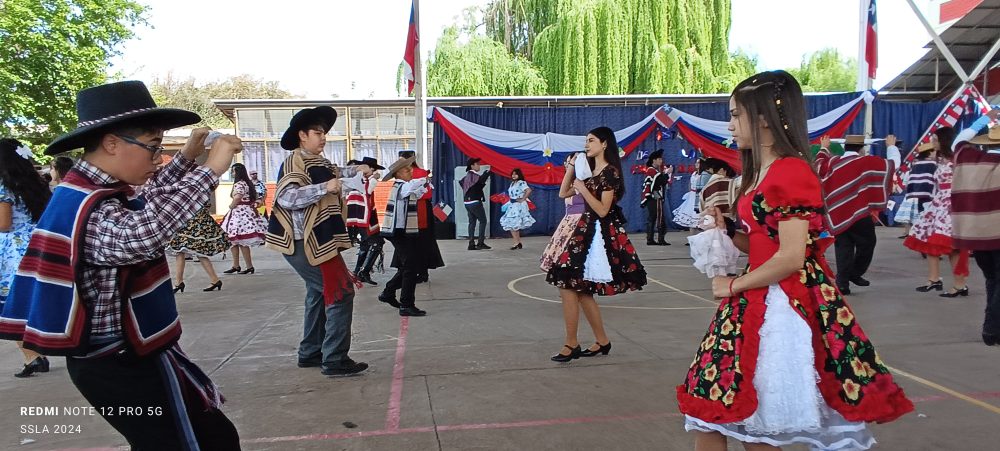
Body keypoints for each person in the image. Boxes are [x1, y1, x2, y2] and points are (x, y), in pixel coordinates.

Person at [677, 71, 913, 451]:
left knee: (752, 422)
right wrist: (726, 231)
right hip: (755, 299)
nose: (730, 124)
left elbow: (791, 257)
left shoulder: (790, 171)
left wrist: (732, 285)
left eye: (737, 115)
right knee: (719, 414)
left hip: (780, 306)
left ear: (765, 117)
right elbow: (760, 246)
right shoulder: (761, 173)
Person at [0, 81, 243, 449]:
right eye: (153, 147)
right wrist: (211, 170)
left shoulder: (100, 188)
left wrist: (188, 157)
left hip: (126, 356)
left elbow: (150, 194)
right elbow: (141, 235)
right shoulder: (86, 203)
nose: (157, 158)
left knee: (209, 437)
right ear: (112, 143)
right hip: (117, 364)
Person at [267, 106, 368, 377]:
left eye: (324, 133)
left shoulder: (319, 162)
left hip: (318, 241)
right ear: (302, 135)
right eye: (317, 133)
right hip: (304, 242)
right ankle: (334, 358)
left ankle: (311, 352)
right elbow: (286, 199)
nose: (323, 137)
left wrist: (358, 170)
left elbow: (335, 173)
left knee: (317, 293)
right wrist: (325, 188)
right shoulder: (293, 162)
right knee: (340, 291)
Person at [545, 127, 647, 362]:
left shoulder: (610, 172)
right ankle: (601, 341)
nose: (586, 144)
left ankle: (572, 343)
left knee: (568, 284)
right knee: (579, 289)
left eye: (591, 140)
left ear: (604, 144)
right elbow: (563, 193)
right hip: (581, 231)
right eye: (586, 140)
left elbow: (602, 210)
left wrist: (582, 188)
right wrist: (571, 170)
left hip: (596, 235)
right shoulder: (590, 172)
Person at [0, 138, 53, 378]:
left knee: (10, 308)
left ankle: (32, 357)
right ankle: (36, 353)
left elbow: (3, 224)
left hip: (11, 252)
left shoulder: (3, 186)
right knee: (31, 304)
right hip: (37, 246)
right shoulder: (38, 183)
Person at [815, 134, 894, 295]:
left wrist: (824, 147)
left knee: (844, 247)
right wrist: (891, 147)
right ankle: (853, 273)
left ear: (846, 148)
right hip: (859, 212)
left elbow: (818, 164)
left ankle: (843, 283)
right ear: (862, 149)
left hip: (838, 212)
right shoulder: (866, 161)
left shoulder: (834, 162)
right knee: (867, 242)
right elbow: (892, 164)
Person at [950, 108, 1000, 346]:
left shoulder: (967, 158)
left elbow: (960, 139)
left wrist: (986, 118)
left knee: (992, 279)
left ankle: (993, 329)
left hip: (977, 236)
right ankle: (991, 330)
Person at [904, 126, 971, 298]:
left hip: (951, 203)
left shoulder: (956, 158)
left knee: (951, 246)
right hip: (939, 203)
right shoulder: (940, 159)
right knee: (928, 240)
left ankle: (959, 284)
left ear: (944, 141)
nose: (932, 142)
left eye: (935, 139)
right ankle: (935, 279)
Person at [167, 146, 231, 294]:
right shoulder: (203, 183)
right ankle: (183, 281)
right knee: (184, 251)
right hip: (194, 220)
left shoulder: (192, 183)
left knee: (186, 251)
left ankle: (184, 282)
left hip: (191, 221)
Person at [379, 156, 435, 316]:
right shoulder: (401, 186)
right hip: (399, 231)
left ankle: (389, 292)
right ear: (398, 173)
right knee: (411, 267)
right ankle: (406, 304)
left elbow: (416, 192)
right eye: (406, 170)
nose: (410, 172)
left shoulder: (402, 187)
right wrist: (425, 178)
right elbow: (413, 187)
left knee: (409, 265)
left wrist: (423, 184)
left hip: (402, 231)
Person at [343, 156, 385, 285]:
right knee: (376, 243)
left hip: (364, 215)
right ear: (371, 168)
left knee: (367, 244)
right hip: (363, 216)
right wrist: (374, 179)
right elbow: (367, 190)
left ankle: (358, 272)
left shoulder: (361, 179)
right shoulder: (363, 180)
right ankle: (363, 272)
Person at [541, 155, 585, 272]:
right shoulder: (571, 182)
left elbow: (562, 193)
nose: (568, 163)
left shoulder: (581, 182)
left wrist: (571, 167)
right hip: (568, 221)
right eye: (567, 161)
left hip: (581, 220)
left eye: (571, 161)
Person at [221, 163, 268, 275]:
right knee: (237, 241)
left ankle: (243, 265)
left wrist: (231, 205)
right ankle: (241, 265)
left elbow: (237, 196)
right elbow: (260, 196)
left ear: (237, 172)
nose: (232, 173)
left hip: (239, 213)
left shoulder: (239, 184)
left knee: (237, 240)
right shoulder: (248, 183)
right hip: (247, 211)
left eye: (233, 171)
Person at [894, 143, 936, 238]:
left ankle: (920, 235)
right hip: (931, 195)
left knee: (922, 215)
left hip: (917, 195)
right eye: (934, 151)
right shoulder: (933, 164)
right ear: (929, 152)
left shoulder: (917, 165)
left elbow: (911, 181)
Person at [641, 149, 672, 246]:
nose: (661, 161)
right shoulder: (652, 171)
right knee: (658, 218)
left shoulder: (654, 171)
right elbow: (660, 182)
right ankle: (659, 239)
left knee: (653, 218)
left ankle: (651, 239)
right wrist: (667, 174)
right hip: (654, 198)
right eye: (659, 159)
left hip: (655, 198)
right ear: (654, 160)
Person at [499, 168, 535, 250]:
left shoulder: (521, 182)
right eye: (512, 174)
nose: (513, 175)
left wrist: (523, 198)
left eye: (515, 174)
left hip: (518, 205)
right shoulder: (512, 183)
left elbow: (528, 190)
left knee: (514, 223)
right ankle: (517, 242)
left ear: (519, 175)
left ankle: (516, 243)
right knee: (512, 223)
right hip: (512, 205)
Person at [461, 158, 492, 250]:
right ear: (472, 166)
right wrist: (487, 173)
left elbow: (476, 185)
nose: (479, 166)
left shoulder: (466, 177)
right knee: (483, 221)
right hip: (475, 202)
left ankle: (471, 243)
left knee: (472, 222)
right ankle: (480, 242)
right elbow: (480, 181)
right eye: (477, 164)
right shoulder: (473, 176)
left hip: (467, 202)